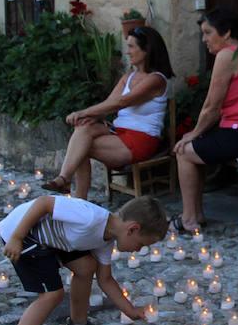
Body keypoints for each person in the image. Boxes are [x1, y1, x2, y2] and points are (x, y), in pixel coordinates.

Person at [0, 194, 168, 325]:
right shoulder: (90, 217)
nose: (138, 250)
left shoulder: (106, 239)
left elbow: (105, 279)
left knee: (86, 267)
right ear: (133, 229)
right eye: (141, 244)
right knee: (52, 295)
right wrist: (17, 237)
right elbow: (44, 203)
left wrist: (130, 310)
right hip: (24, 234)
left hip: (53, 239)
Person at [172, 7, 238, 232]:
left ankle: (189, 218)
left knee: (183, 151)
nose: (204, 39)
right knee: (195, 148)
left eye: (208, 33)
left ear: (227, 33)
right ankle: (197, 214)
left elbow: (212, 106)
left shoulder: (226, 55)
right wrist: (198, 134)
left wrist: (193, 132)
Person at [43, 25, 175, 198]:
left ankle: (77, 197)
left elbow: (121, 102)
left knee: (82, 146)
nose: (127, 52)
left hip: (142, 138)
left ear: (147, 50)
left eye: (131, 46)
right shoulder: (128, 77)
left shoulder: (156, 80)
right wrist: (88, 117)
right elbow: (109, 103)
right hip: (119, 132)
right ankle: (66, 181)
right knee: (83, 128)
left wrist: (83, 112)